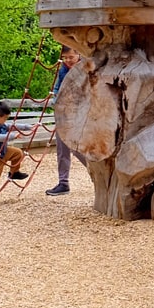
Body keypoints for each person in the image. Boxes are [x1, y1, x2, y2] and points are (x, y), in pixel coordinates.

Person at [46, 46, 87, 197]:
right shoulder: (63, 70)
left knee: (78, 148)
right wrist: (56, 101)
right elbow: (57, 89)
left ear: (79, 54)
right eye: (65, 58)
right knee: (62, 148)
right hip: (64, 114)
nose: (68, 60)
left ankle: (97, 173)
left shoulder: (85, 69)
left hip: (79, 114)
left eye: (71, 57)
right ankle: (63, 182)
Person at [0, 100, 29, 207]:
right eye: (5, 118)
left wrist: (27, 127)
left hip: (3, 151)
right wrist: (12, 135)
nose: (6, 120)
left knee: (18, 153)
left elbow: (11, 125)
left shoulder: (0, 123)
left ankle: (14, 173)